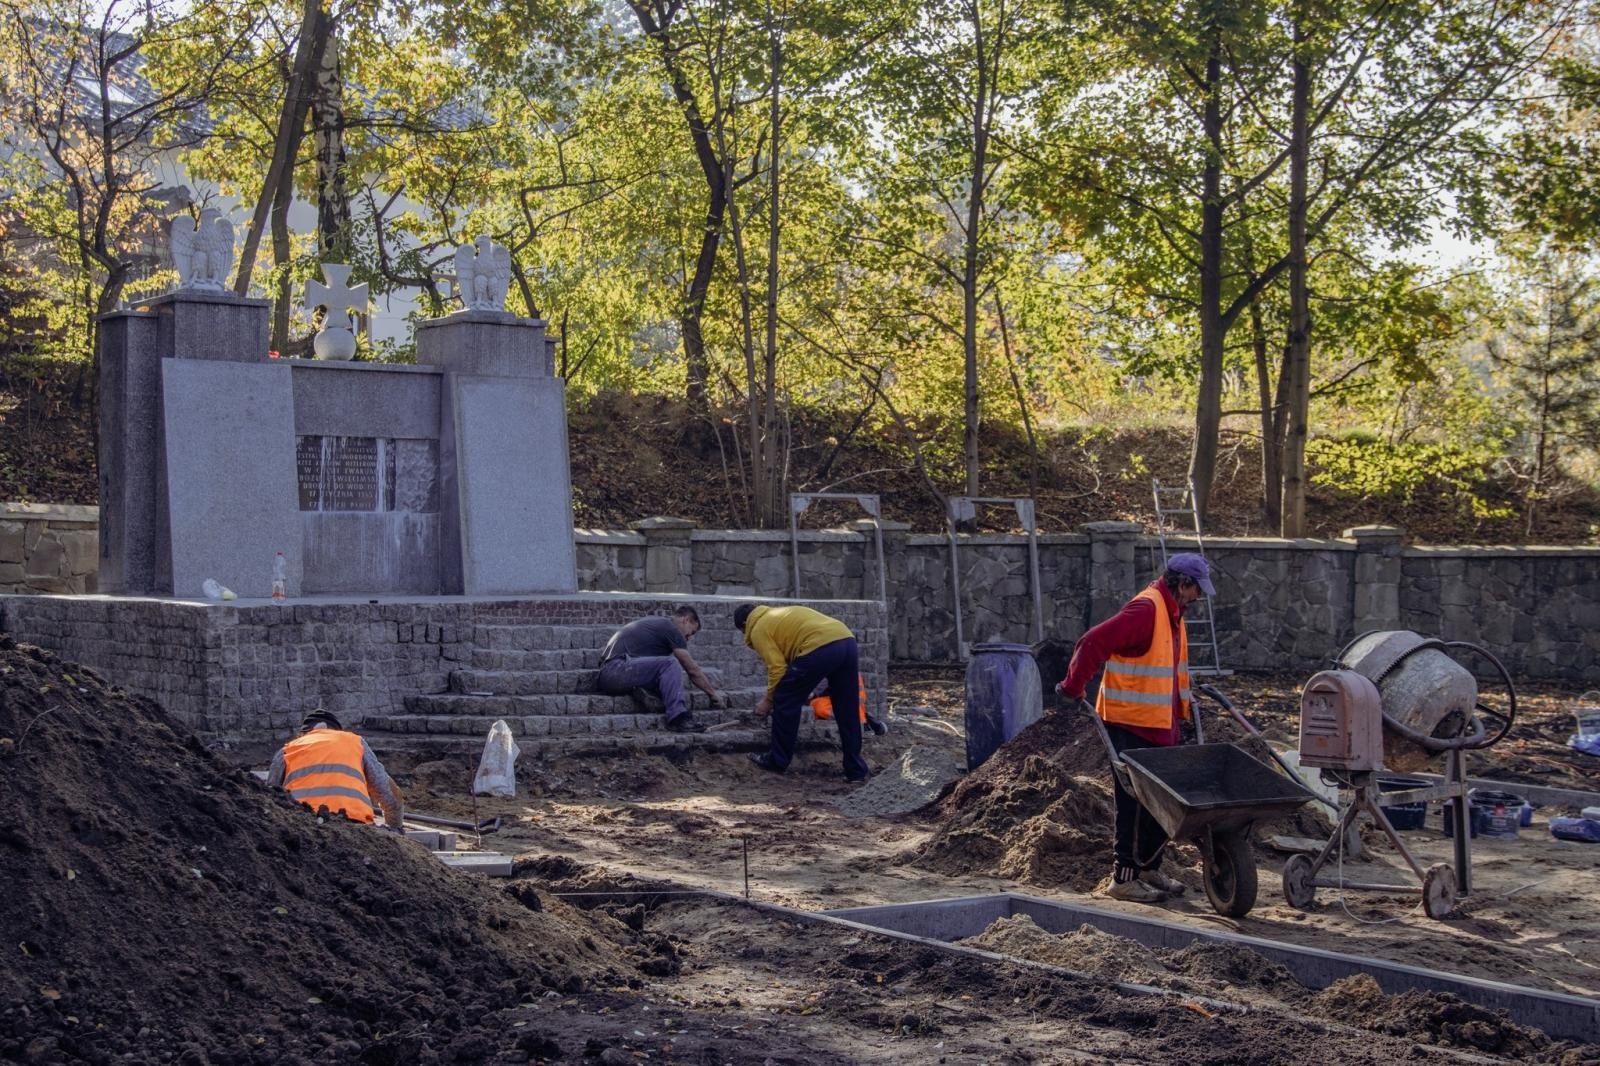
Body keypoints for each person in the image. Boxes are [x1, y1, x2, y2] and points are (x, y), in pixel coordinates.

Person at [1055, 553, 1214, 904]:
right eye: (1196, 590)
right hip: (1131, 723)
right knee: (1132, 802)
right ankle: (1123, 878)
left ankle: (1147, 867)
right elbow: (1093, 642)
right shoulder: (1146, 610)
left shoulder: (1173, 614)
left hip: (1159, 724)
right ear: (1182, 584)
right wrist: (1072, 686)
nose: (1198, 598)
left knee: (1160, 802)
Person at [735, 603, 870, 782]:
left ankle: (777, 760)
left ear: (745, 625)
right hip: (846, 639)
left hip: (820, 645)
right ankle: (856, 771)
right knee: (847, 707)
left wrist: (768, 701)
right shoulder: (779, 615)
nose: (745, 636)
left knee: (784, 697)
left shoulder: (758, 627)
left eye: (742, 632)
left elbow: (777, 668)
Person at [597, 606, 728, 734]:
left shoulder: (659, 626)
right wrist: (713, 694)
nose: (690, 637)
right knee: (669, 663)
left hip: (613, 672)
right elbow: (692, 669)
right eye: (692, 632)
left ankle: (650, 696)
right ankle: (678, 718)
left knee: (665, 668)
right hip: (615, 670)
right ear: (685, 620)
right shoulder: (671, 629)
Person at [267, 709, 404, 827]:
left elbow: (270, 799)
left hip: (301, 826)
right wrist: (395, 830)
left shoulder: (288, 749)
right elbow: (389, 795)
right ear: (338, 731)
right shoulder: (354, 742)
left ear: (303, 734)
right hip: (355, 825)